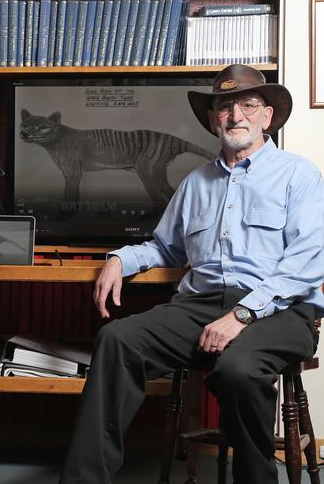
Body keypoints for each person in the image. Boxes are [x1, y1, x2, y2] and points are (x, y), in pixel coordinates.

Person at [59, 64, 324, 484]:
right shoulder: (194, 183)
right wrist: (118, 260)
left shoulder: (299, 175)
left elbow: (306, 264)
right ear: (212, 119)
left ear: (267, 116)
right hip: (199, 305)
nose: (236, 115)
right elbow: (165, 247)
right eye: (224, 106)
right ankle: (83, 479)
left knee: (237, 369)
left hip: (281, 311)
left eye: (248, 105)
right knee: (117, 340)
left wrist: (241, 316)